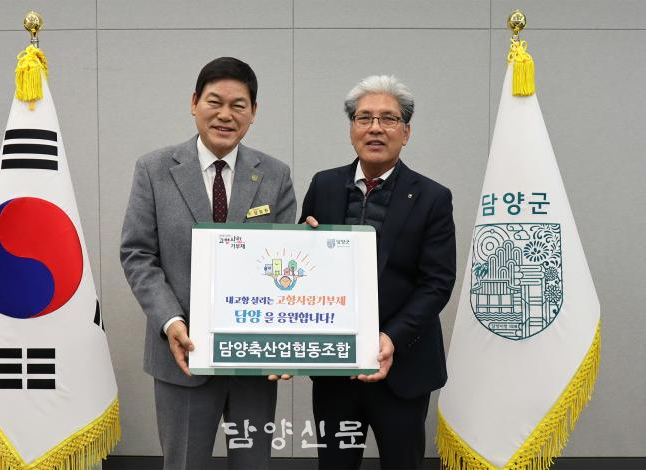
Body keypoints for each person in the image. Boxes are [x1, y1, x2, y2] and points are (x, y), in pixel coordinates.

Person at [120, 57, 296, 470]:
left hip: (254, 360)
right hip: (182, 356)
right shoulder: (154, 169)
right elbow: (137, 253)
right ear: (194, 103)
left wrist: (311, 249)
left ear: (253, 112)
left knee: (253, 464)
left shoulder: (275, 175)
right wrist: (171, 322)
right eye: (215, 102)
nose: (225, 115)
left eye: (238, 105)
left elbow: (284, 261)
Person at [299, 75, 456, 469]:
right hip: (336, 367)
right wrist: (302, 246)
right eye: (364, 118)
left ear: (406, 132)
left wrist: (391, 338)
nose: (375, 128)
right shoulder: (324, 184)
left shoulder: (433, 197)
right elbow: (304, 267)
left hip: (403, 365)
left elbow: (436, 283)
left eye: (388, 119)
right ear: (352, 128)